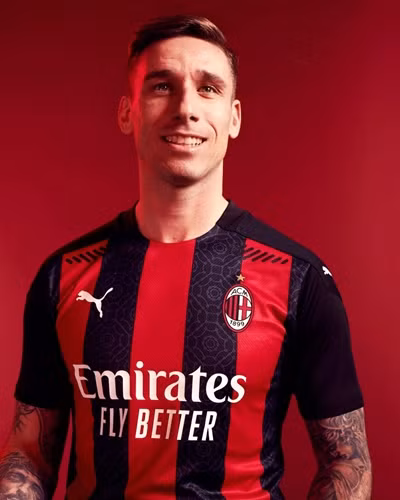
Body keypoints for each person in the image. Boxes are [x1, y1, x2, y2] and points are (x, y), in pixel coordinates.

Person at [0, 14, 372, 499]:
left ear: (234, 118)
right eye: (162, 86)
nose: (185, 109)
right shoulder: (64, 276)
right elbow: (29, 454)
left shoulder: (298, 279)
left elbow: (347, 461)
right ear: (127, 112)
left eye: (208, 89)